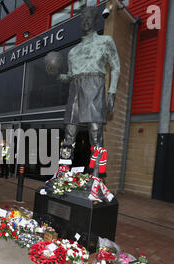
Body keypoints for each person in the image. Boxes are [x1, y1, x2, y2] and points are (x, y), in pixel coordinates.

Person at [54, 5, 120, 178]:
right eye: (83, 18)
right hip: (75, 89)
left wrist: (112, 92)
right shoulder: (73, 52)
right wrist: (55, 74)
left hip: (94, 86)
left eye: (89, 17)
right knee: (68, 135)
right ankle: (62, 173)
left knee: (96, 135)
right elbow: (68, 76)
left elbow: (115, 67)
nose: (86, 21)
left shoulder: (105, 41)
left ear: (96, 20)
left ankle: (96, 176)